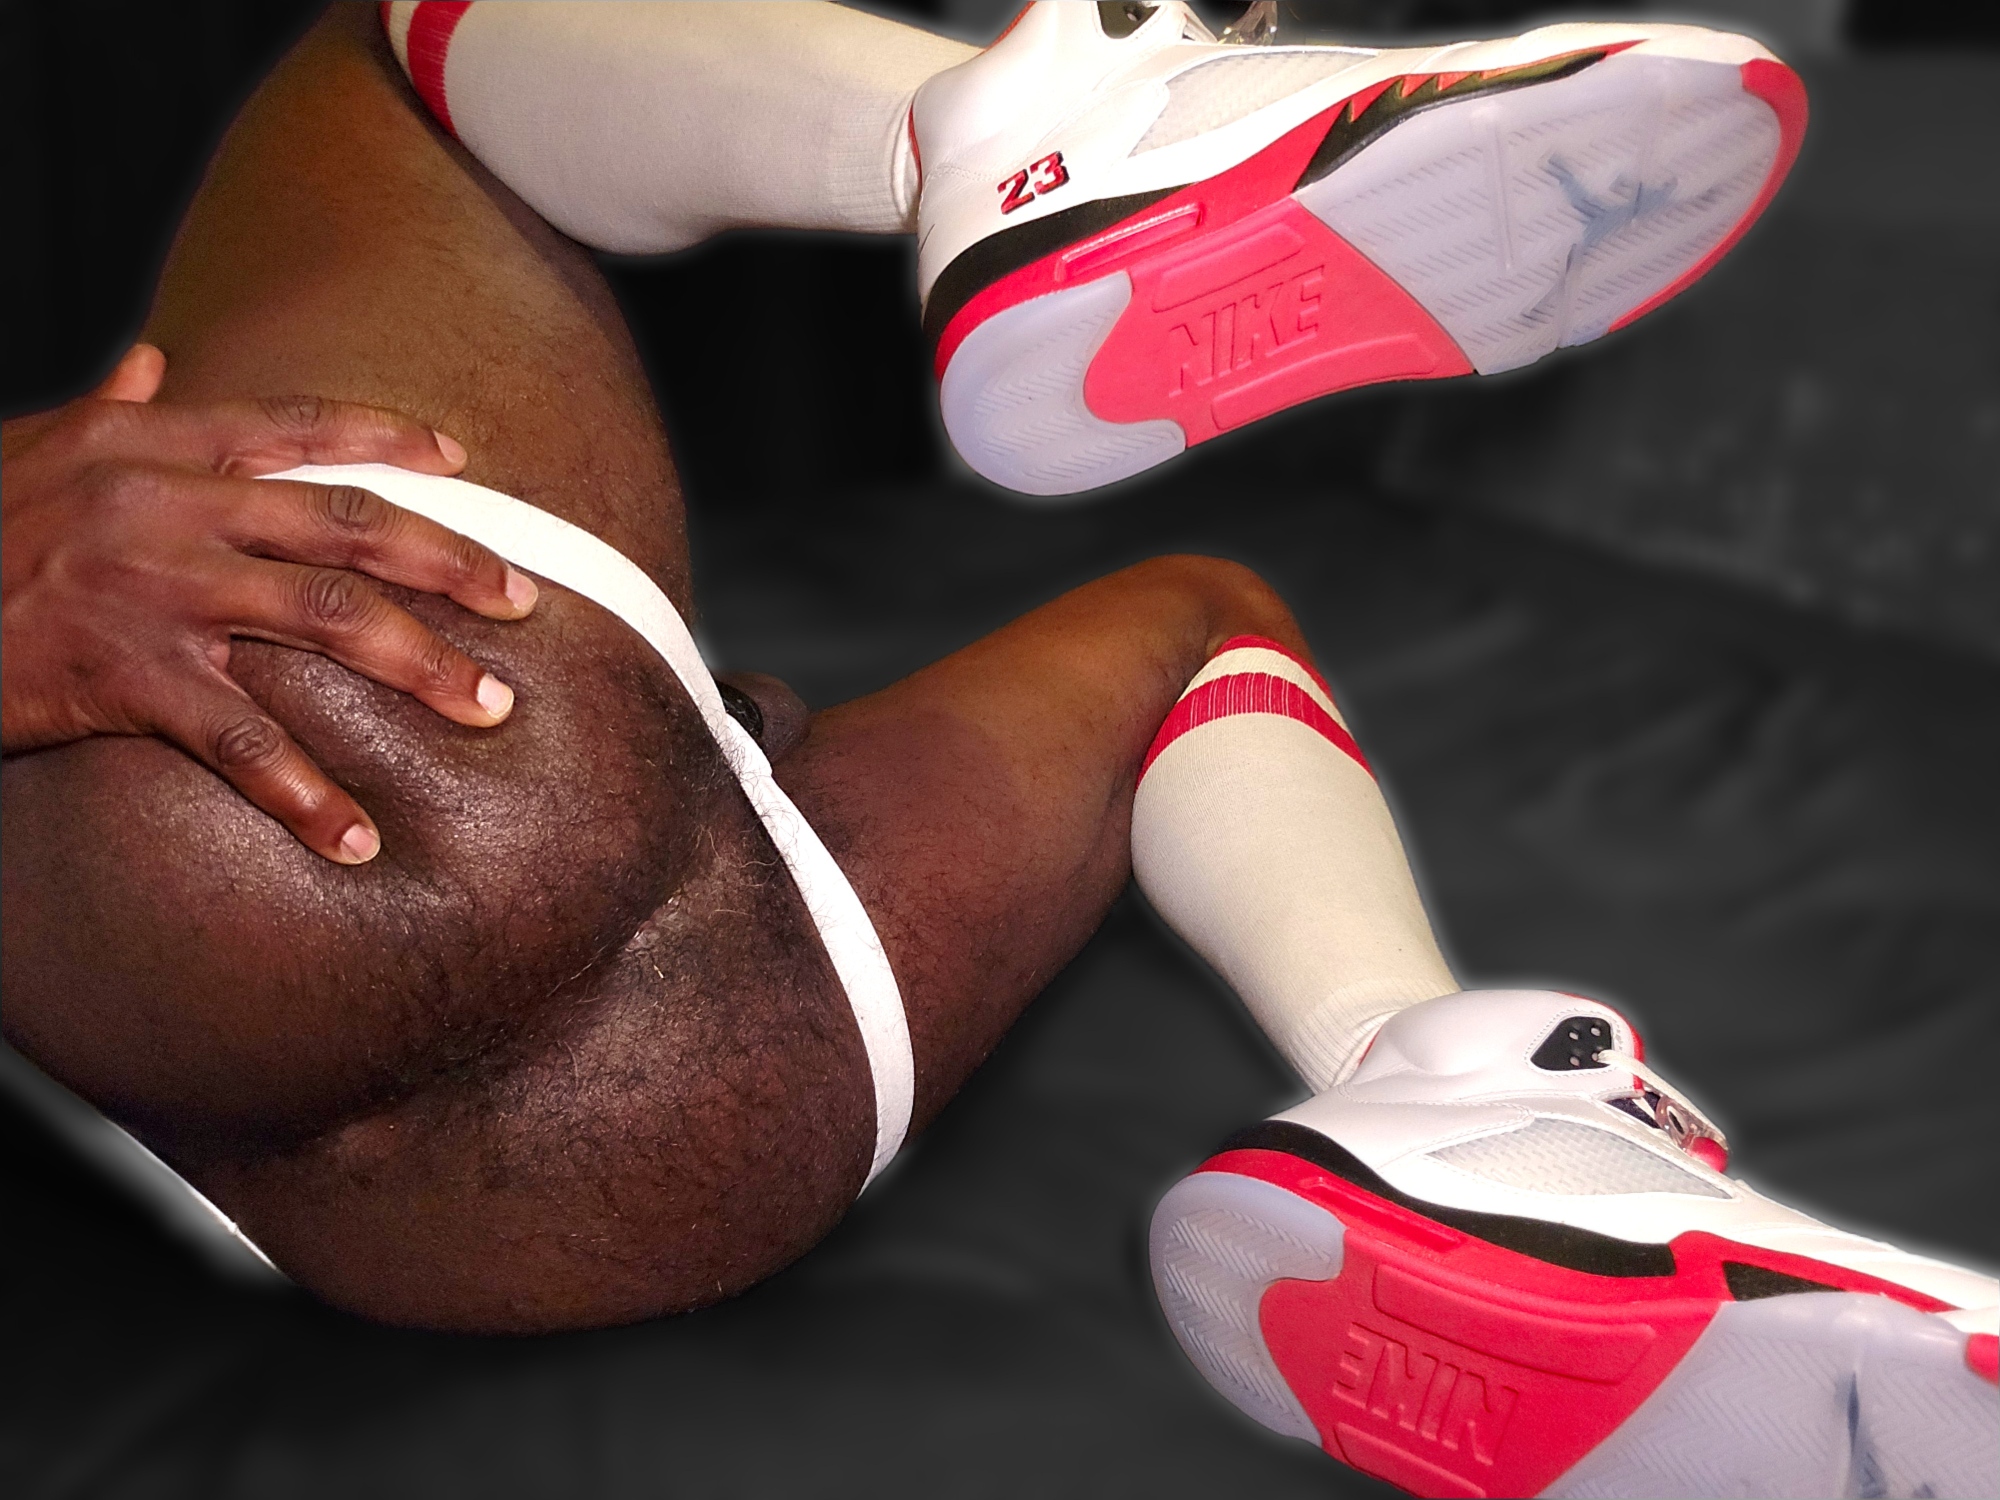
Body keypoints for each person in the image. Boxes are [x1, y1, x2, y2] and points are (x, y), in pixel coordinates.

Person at [1, 6, 1990, 1498]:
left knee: (1202, 607)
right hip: (723, 1118)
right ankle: (1018, 137)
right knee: (404, 46)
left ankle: (1468, 1125)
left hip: (457, 1225)